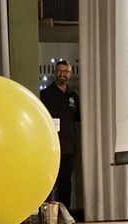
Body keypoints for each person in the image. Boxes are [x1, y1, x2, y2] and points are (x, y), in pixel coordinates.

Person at [40, 60, 81, 208]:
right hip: (50, 146)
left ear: (70, 74)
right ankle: (47, 212)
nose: (62, 74)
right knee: (49, 181)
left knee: (65, 182)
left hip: (69, 147)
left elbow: (76, 118)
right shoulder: (45, 94)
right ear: (54, 73)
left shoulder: (73, 96)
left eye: (65, 71)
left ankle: (64, 211)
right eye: (59, 71)